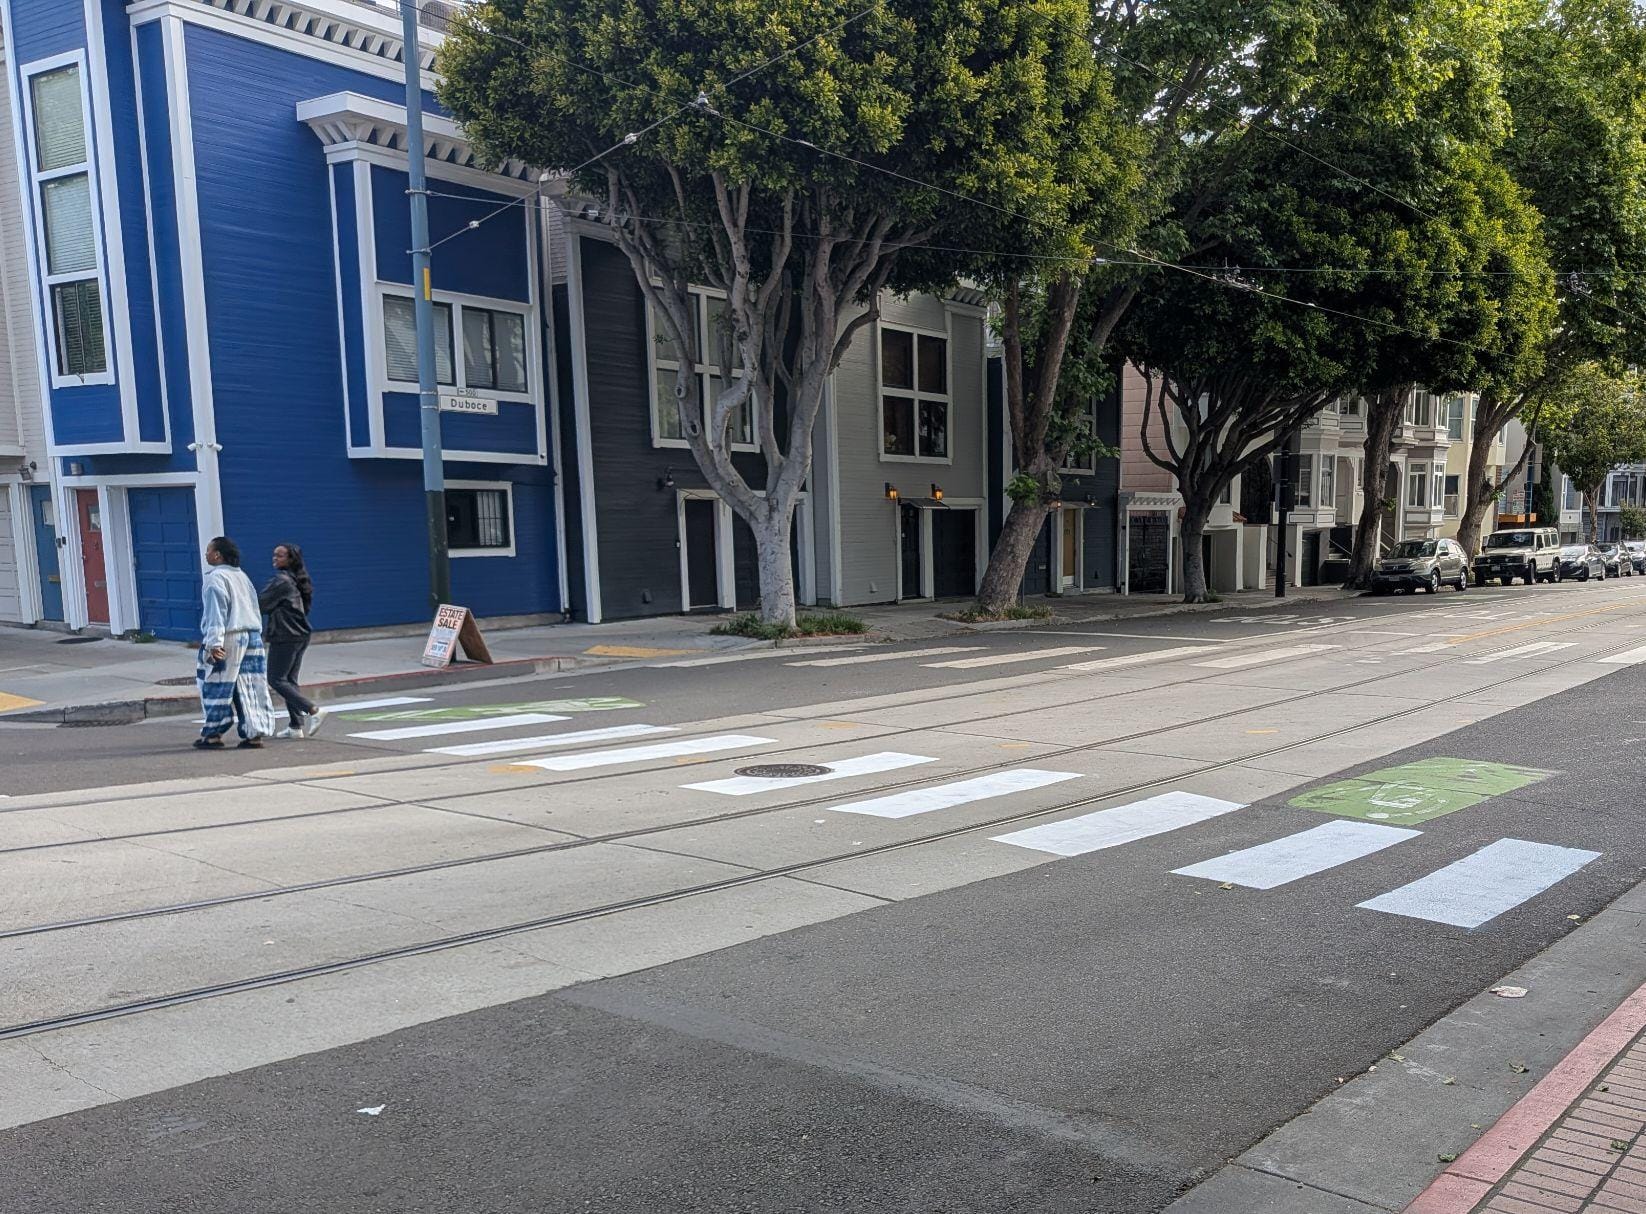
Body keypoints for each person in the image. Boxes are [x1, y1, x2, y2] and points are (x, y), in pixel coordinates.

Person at [194, 536, 278, 750]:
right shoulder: (242, 576)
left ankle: (213, 733)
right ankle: (255, 733)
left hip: (229, 635)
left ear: (217, 555)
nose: (205, 555)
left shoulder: (215, 578)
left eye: (208, 551)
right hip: (252, 634)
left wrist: (214, 644)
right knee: (251, 684)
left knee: (215, 684)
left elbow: (217, 613)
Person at [261, 543, 323, 739]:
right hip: (300, 635)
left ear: (290, 560)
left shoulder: (281, 581)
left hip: (285, 636)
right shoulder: (296, 580)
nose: (274, 559)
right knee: (289, 680)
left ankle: (313, 710)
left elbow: (260, 603)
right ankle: (296, 726)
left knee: (276, 679)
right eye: (274, 555)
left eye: (279, 556)